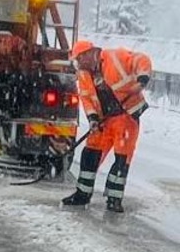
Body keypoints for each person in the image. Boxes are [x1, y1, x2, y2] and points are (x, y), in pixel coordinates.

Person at [61, 40, 153, 213]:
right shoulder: (84, 73)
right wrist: (93, 118)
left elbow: (141, 59)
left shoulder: (115, 57)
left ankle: (114, 199)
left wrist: (141, 80)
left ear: (88, 54)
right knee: (89, 154)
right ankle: (82, 194)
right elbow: (86, 98)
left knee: (121, 160)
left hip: (125, 118)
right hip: (104, 121)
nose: (78, 64)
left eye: (79, 59)